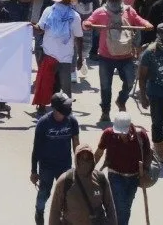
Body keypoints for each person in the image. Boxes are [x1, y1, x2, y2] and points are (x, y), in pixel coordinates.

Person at [93, 112, 152, 225]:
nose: (121, 135)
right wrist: (89, 169)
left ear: (130, 127)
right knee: (121, 206)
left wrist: (145, 169)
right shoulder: (108, 134)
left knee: (126, 205)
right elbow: (99, 152)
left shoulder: (140, 135)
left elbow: (148, 153)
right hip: (115, 175)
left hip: (134, 176)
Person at [32, 93, 80, 225]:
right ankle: (39, 213)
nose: (69, 108)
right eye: (66, 105)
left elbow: (76, 144)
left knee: (67, 195)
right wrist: (33, 171)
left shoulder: (72, 121)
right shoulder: (43, 123)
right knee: (44, 193)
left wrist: (79, 165)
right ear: (56, 108)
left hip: (65, 165)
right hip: (47, 166)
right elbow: (36, 149)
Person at [47, 145, 115, 225]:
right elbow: (55, 211)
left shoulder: (100, 179)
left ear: (92, 159)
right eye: (81, 158)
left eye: (88, 158)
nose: (85, 161)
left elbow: (110, 208)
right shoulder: (65, 180)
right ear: (76, 160)